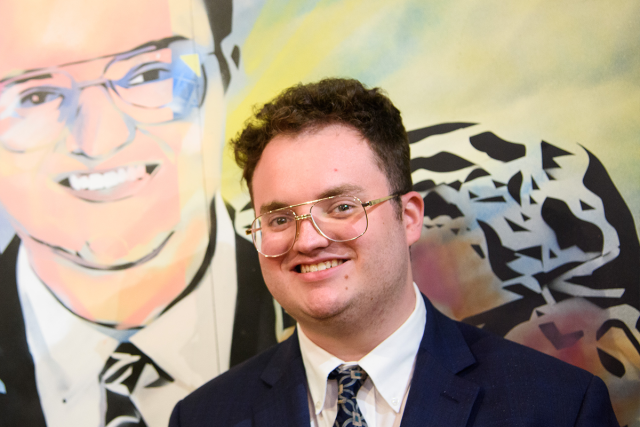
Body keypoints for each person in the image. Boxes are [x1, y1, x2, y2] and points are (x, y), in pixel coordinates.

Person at [169, 78, 620, 426]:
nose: (306, 240)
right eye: (280, 218)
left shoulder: (558, 407)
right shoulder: (205, 417)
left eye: (342, 206)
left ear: (408, 217)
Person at [0, 0, 279, 425]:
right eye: (36, 95)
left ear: (226, 72)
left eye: (151, 74)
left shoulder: (329, 320)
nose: (98, 140)